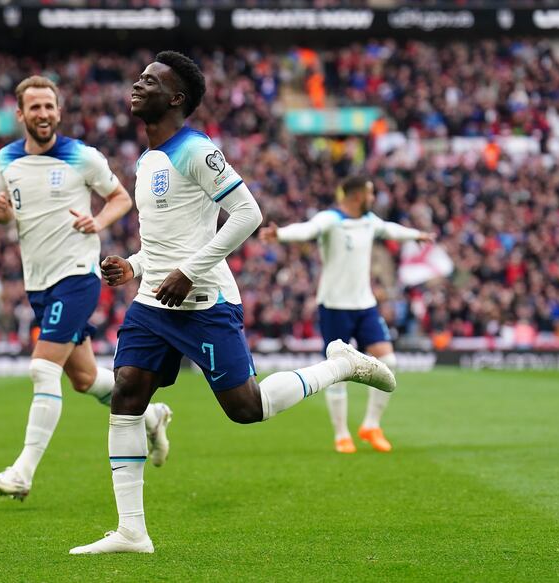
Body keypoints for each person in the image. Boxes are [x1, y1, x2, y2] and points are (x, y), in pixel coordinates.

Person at [69, 52, 396, 555]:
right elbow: (164, 243)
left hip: (203, 299)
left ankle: (340, 365)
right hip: (154, 301)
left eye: (150, 81)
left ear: (176, 98)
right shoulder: (147, 159)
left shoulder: (196, 150)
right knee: (127, 396)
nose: (136, 84)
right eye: (139, 77)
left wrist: (191, 270)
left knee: (246, 408)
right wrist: (134, 267)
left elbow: (247, 213)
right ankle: (132, 531)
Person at [0, 76, 172, 501]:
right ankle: (152, 417)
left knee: (41, 368)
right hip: (38, 282)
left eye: (49, 106)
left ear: (59, 111)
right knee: (84, 378)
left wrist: (97, 222)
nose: (43, 114)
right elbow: (6, 213)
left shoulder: (82, 156)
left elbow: (121, 197)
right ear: (21, 114)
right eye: (35, 108)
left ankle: (23, 472)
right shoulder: (6, 160)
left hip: (77, 275)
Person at [259, 176, 435, 453]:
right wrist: (280, 234)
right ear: (357, 196)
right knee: (336, 371)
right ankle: (341, 434)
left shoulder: (369, 221)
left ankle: (371, 426)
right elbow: (308, 230)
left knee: (388, 360)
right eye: (370, 193)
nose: (373, 198)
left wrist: (416, 235)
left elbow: (389, 229)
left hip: (365, 304)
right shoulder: (331, 220)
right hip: (334, 306)